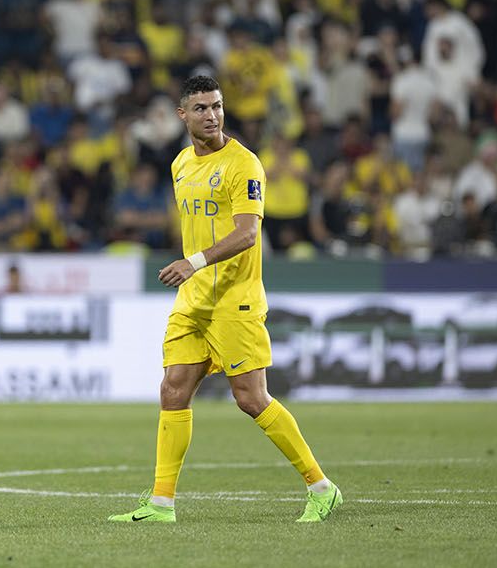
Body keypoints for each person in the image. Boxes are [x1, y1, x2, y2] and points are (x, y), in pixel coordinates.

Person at [109, 75, 341, 524]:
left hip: (234, 298)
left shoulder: (245, 165)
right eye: (200, 108)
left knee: (252, 399)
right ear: (183, 115)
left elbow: (248, 233)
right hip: (194, 300)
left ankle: (321, 487)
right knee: (173, 390)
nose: (211, 115)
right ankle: (161, 503)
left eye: (216, 106)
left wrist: (193, 262)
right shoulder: (179, 164)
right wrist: (194, 271)